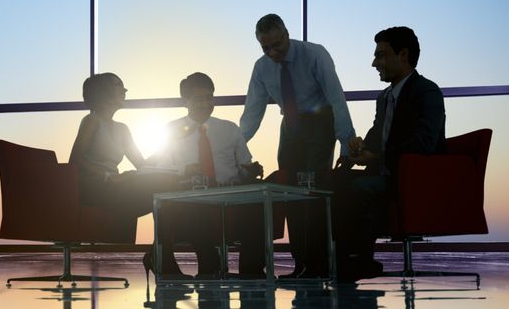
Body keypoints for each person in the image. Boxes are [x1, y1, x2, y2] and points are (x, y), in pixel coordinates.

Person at [240, 14, 356, 277]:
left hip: (320, 121)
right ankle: (301, 263)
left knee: (313, 190)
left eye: (277, 44)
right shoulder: (261, 68)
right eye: (265, 47)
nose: (272, 52)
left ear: (287, 34)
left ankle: (319, 263)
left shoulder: (314, 54)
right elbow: (252, 113)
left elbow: (337, 99)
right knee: (289, 191)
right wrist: (234, 147)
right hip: (290, 126)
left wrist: (346, 144)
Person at [336, 26, 446, 282]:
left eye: (381, 55)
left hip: (412, 178)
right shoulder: (384, 97)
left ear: (403, 54)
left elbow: (424, 143)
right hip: (385, 173)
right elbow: (377, 137)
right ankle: (335, 259)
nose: (374, 63)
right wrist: (360, 150)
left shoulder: (427, 92)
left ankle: (360, 260)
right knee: (333, 183)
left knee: (364, 188)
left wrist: (376, 158)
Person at [69, 72, 183, 276]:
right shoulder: (91, 120)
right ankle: (161, 257)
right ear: (103, 92)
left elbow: (142, 165)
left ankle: (161, 255)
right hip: (95, 188)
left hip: (114, 187)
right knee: (164, 189)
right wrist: (108, 176)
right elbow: (76, 159)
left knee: (167, 188)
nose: (125, 90)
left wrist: (169, 144)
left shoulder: (123, 129)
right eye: (118, 85)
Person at [158, 72, 264, 277]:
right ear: (185, 101)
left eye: (209, 97)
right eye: (199, 99)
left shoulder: (230, 129)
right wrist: (185, 171)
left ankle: (252, 272)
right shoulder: (171, 130)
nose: (206, 103)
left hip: (229, 195)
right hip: (190, 195)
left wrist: (250, 171)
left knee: (256, 205)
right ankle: (210, 266)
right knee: (195, 206)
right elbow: (163, 169)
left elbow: (244, 169)